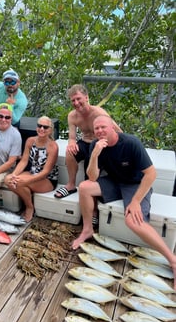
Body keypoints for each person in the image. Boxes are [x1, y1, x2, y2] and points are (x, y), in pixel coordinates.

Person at [72, 115, 176, 289]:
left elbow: (151, 174)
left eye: (103, 127)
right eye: (96, 128)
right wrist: (95, 154)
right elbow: (92, 177)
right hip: (114, 182)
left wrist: (135, 201)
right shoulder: (95, 145)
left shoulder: (130, 143)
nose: (100, 131)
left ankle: (172, 260)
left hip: (135, 184)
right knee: (84, 187)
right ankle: (87, 229)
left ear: (113, 127)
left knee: (132, 220)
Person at [54, 84, 122, 200]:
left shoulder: (99, 113)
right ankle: (71, 184)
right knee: (70, 152)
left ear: (86, 97)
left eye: (78, 99)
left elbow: (119, 132)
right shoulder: (72, 116)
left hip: (100, 145)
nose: (76, 103)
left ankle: (92, 203)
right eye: (73, 100)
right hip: (85, 142)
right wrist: (71, 143)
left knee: (89, 175)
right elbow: (72, 137)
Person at [5, 116, 59, 222]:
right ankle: (27, 195)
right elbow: (24, 161)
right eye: (39, 126)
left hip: (47, 179)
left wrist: (26, 180)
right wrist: (14, 174)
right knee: (8, 179)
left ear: (50, 130)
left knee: (19, 183)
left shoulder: (53, 146)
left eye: (45, 127)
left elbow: (46, 172)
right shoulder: (30, 141)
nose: (42, 129)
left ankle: (29, 206)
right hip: (32, 173)